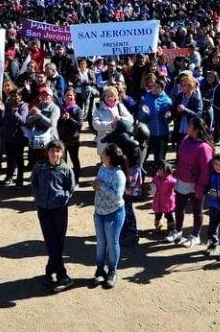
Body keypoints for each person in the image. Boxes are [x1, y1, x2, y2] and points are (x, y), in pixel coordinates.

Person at [31, 139, 75, 292]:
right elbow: (34, 182)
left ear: (62, 153)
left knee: (59, 243)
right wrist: (38, 197)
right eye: (52, 151)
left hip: (60, 210)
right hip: (44, 210)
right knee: (51, 242)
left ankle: (49, 272)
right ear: (47, 152)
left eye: (58, 151)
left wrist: (64, 197)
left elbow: (71, 187)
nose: (55, 154)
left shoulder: (65, 169)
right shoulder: (39, 167)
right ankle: (63, 276)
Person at [167, 117, 213, 247]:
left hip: (195, 184)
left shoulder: (204, 147)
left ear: (196, 129)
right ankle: (178, 231)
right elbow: (180, 159)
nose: (188, 127)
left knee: (197, 210)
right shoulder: (186, 139)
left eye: (190, 126)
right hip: (182, 180)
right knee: (179, 207)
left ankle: (195, 235)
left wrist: (200, 187)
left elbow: (206, 170)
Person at [92, 143, 128, 289]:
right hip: (99, 212)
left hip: (113, 214)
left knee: (112, 244)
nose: (101, 154)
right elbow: (99, 181)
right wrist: (95, 185)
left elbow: (117, 197)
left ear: (109, 157)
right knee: (101, 243)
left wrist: (101, 186)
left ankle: (112, 271)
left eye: (104, 153)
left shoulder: (119, 174)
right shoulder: (103, 168)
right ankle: (100, 270)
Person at [137, 76, 173, 168]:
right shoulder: (145, 98)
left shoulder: (167, 100)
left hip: (162, 134)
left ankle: (159, 180)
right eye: (154, 86)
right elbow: (140, 118)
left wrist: (167, 117)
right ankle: (140, 177)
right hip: (148, 134)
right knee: (143, 158)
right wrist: (145, 113)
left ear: (162, 88)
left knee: (160, 160)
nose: (155, 89)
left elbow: (168, 120)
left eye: (158, 87)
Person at [0, 88, 28, 186]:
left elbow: (23, 120)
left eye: (16, 96)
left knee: (19, 159)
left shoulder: (23, 106)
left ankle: (19, 179)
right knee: (9, 158)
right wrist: (1, 110)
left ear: (20, 97)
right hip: (8, 136)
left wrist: (16, 113)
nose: (14, 98)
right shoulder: (7, 105)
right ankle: (9, 177)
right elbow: (1, 119)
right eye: (12, 96)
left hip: (18, 137)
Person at [93, 85, 133, 155]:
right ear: (103, 97)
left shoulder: (119, 106)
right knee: (105, 162)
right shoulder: (98, 108)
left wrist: (120, 118)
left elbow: (130, 119)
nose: (110, 98)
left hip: (119, 141)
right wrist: (111, 125)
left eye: (112, 96)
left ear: (116, 97)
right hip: (104, 141)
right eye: (107, 96)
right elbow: (95, 124)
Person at [57, 88, 83, 187]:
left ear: (74, 96)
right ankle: (64, 180)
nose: (69, 97)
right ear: (64, 97)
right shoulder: (60, 108)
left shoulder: (77, 109)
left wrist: (70, 119)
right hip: (62, 139)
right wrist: (61, 118)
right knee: (63, 161)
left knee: (74, 160)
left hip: (73, 139)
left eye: (71, 95)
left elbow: (80, 125)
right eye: (67, 95)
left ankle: (76, 180)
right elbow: (56, 122)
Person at [151, 161, 176, 234]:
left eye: (160, 170)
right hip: (157, 201)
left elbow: (176, 186)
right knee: (157, 215)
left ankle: (171, 229)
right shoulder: (156, 179)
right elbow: (152, 186)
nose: (158, 171)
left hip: (167, 202)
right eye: (158, 169)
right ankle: (158, 226)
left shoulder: (171, 181)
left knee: (169, 216)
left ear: (166, 172)